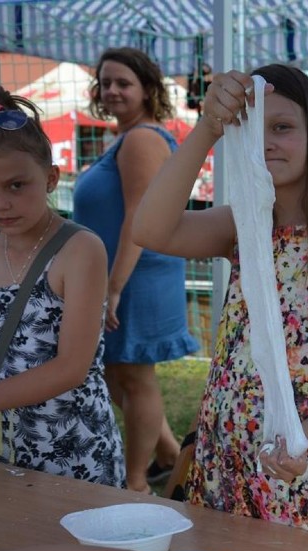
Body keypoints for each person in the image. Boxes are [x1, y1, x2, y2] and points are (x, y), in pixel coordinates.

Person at [132, 64, 308, 539]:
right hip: (220, 457)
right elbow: (150, 229)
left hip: (296, 467)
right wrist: (207, 127)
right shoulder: (241, 226)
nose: (269, 141)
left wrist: (299, 440)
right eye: (255, 128)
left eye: (283, 127)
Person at [0, 82, 124, 487]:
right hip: (1, 448)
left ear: (52, 177)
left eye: (16, 185)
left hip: (76, 451)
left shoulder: (79, 249)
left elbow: (70, 368)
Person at [73, 47, 199, 493]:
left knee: (136, 376)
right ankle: (169, 456)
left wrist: (113, 287)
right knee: (115, 372)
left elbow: (136, 218)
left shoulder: (142, 139)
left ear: (147, 90)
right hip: (125, 274)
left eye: (122, 82)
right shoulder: (129, 137)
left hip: (136, 275)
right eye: (105, 82)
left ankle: (136, 484)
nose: (111, 91)